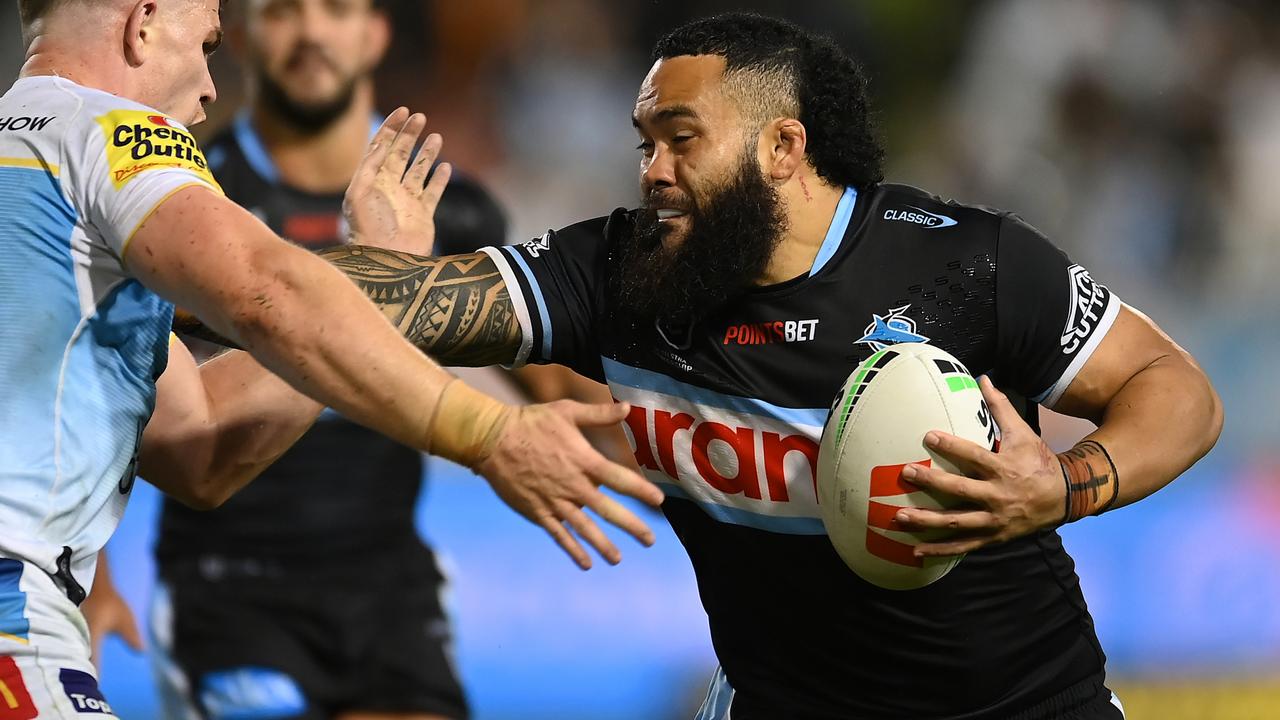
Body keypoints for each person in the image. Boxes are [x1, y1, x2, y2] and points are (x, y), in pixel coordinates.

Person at [254, 12, 1219, 720]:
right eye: (645, 144)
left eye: (681, 141)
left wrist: (1065, 485)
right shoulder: (621, 271)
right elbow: (357, 312)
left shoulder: (965, 264)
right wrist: (382, 255)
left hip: (1025, 708)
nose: (652, 171)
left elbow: (1177, 392)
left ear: (783, 147)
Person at [0, 0, 661, 716]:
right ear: (146, 22)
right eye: (208, 43)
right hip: (108, 603)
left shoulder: (39, 178)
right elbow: (268, 293)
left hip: (375, 598)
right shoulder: (114, 134)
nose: (209, 86)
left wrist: (381, 271)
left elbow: (201, 445)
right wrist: (487, 434)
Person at [143, 1, 496, 717]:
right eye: (282, 11)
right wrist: (97, 585)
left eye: (335, 8)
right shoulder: (183, 198)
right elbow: (98, 382)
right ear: (235, 38)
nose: (310, 32)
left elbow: (568, 389)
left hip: (388, 585)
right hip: (230, 585)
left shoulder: (450, 210)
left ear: (375, 34)